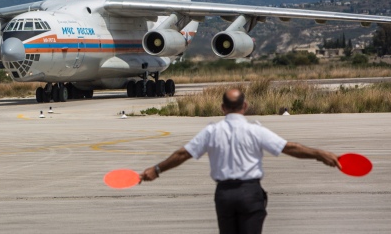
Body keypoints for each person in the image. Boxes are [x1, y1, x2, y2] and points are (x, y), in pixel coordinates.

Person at [140, 88, 341, 234]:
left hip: (224, 195)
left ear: (222, 108)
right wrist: (319, 154)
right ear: (245, 106)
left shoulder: (212, 131)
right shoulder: (255, 130)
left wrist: (156, 169)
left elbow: (182, 154)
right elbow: (290, 148)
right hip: (249, 193)